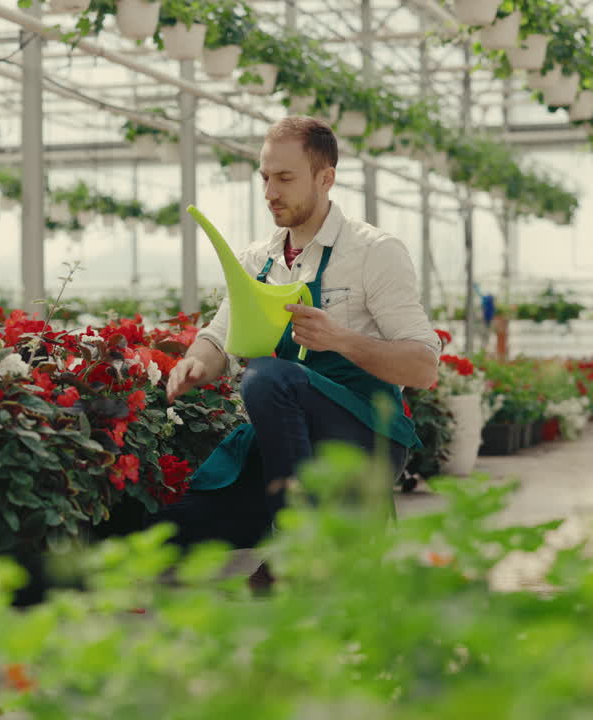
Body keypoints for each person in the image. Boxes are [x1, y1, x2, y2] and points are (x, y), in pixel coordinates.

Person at [160, 116, 439, 551]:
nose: (270, 193)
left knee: (268, 376)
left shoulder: (373, 252)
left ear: (325, 178)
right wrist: (195, 362)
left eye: (285, 178)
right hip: (290, 445)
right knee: (178, 528)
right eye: (265, 178)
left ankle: (299, 548)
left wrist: (340, 339)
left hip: (366, 437)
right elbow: (218, 337)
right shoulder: (259, 260)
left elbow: (423, 366)